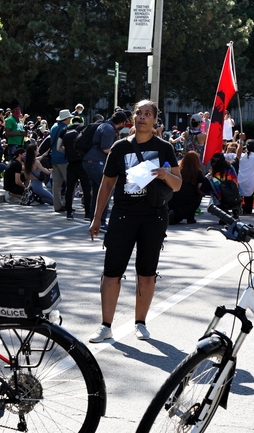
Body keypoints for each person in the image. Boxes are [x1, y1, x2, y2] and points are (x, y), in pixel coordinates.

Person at [88, 100, 181, 343]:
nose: (142, 117)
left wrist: (165, 174)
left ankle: (140, 322)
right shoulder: (120, 148)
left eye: (148, 114)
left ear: (155, 120)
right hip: (122, 215)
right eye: (139, 113)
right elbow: (107, 183)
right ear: (133, 117)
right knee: (111, 272)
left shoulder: (164, 148)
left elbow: (178, 184)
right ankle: (105, 325)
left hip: (153, 216)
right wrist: (97, 218)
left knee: (147, 273)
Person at [84, 111, 128, 229]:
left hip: (91, 161)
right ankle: (101, 221)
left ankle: (95, 220)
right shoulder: (109, 129)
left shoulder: (105, 125)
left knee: (98, 192)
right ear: (122, 122)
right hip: (96, 162)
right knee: (107, 189)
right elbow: (106, 148)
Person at [168, 150, 211, 224]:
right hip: (190, 197)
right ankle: (190, 218)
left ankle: (174, 214)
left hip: (175, 195)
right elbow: (200, 187)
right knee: (198, 195)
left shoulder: (179, 170)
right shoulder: (197, 172)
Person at [49, 109, 72, 212]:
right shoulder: (65, 129)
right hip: (63, 158)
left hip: (54, 157)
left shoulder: (54, 127)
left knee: (56, 184)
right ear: (66, 119)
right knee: (70, 182)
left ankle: (57, 206)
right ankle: (68, 204)